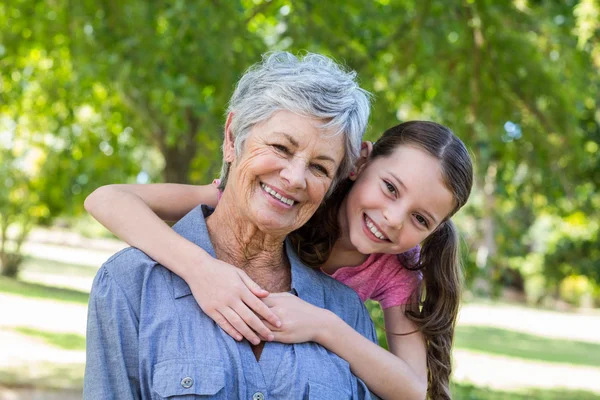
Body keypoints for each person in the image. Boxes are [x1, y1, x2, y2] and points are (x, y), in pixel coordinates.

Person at [87, 119, 474, 399]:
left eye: (420, 219)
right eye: (390, 188)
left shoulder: (398, 269)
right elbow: (105, 199)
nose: (393, 218)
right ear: (359, 162)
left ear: (433, 231)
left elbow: (411, 387)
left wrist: (326, 326)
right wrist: (200, 269)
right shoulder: (282, 198)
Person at [83, 51, 378, 399]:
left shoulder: (344, 313)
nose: (295, 177)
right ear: (231, 138)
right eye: (281, 147)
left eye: (319, 168)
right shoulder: (130, 283)